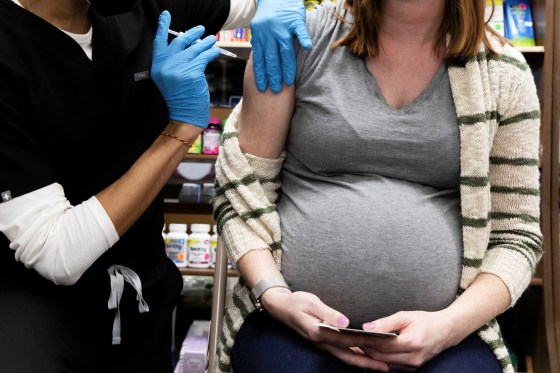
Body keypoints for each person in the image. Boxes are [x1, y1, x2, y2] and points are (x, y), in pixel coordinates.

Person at [212, 0, 543, 372]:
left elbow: (516, 238)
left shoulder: (503, 73)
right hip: (286, 326)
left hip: (447, 336)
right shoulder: (296, 40)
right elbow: (242, 190)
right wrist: (272, 294)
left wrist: (448, 327)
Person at [0, 0, 311, 371]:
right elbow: (55, 250)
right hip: (37, 310)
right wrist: (178, 132)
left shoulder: (148, 6)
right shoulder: (9, 53)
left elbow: (255, 4)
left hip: (141, 293)